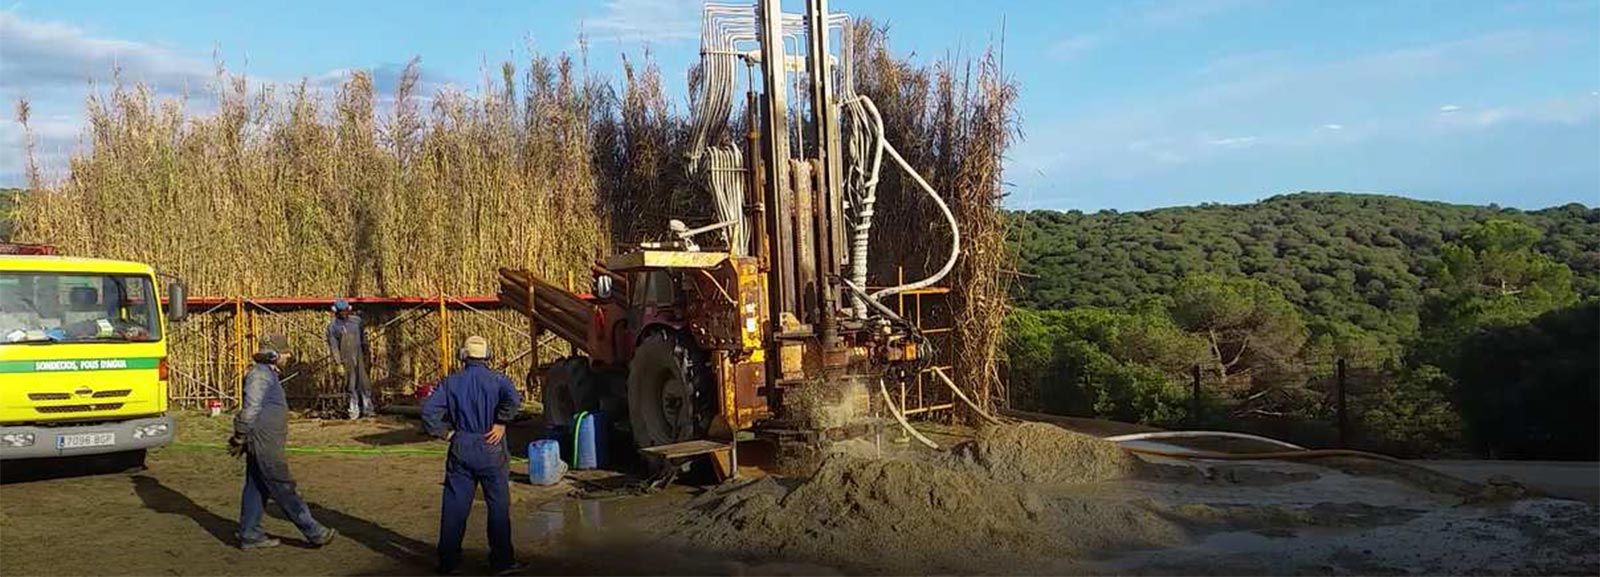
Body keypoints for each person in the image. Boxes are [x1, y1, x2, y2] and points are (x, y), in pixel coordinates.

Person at [421, 335, 523, 575]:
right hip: (491, 445)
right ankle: (501, 561)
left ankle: (448, 561)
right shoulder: (498, 380)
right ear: (487, 356)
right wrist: (501, 422)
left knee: (455, 506)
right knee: (497, 506)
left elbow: (428, 411)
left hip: (461, 444)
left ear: (463, 355)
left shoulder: (451, 383)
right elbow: (514, 401)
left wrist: (445, 434)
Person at [231, 334, 338, 550]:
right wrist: (240, 435)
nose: (288, 356)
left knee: (256, 485)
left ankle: (250, 533)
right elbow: (250, 410)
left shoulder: (267, 375)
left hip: (264, 440)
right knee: (283, 487)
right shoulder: (259, 376)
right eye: (285, 352)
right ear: (272, 354)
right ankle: (314, 532)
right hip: (264, 442)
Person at [326, 298, 374, 419]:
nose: (344, 313)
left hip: (360, 356)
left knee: (364, 383)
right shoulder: (332, 327)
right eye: (341, 311)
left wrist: (368, 355)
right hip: (346, 359)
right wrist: (338, 363)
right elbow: (334, 347)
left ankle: (368, 408)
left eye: (346, 310)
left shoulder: (357, 322)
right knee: (351, 385)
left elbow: (364, 340)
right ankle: (354, 410)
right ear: (335, 311)